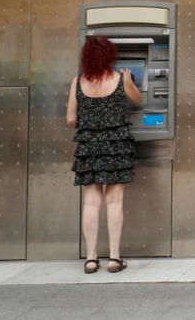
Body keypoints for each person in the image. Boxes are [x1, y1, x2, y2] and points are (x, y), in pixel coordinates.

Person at [66, 36, 142, 274]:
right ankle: (114, 258)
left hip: (89, 145)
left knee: (91, 202)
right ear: (110, 57)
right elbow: (138, 99)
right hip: (116, 144)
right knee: (114, 201)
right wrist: (128, 78)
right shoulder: (121, 79)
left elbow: (70, 118)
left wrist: (92, 117)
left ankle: (91, 259)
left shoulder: (78, 82)